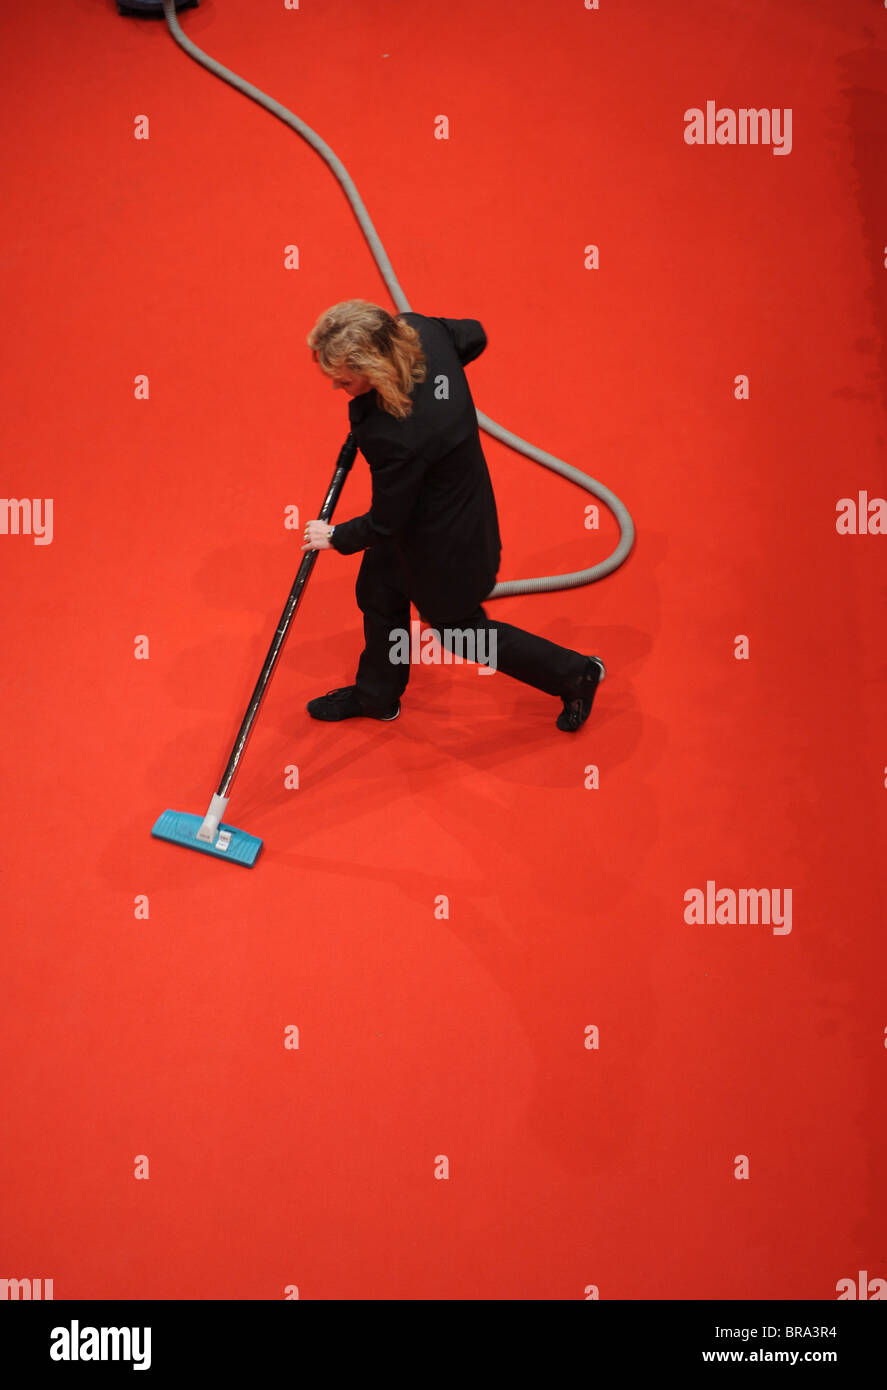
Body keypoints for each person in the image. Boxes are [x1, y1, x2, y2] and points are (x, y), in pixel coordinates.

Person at [301, 299, 605, 731]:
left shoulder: (398, 434)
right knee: (380, 594)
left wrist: (335, 536)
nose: (337, 389)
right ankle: (377, 694)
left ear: (375, 367)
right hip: (431, 507)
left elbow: (386, 521)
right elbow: (473, 332)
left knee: (457, 630)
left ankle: (575, 673)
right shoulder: (421, 330)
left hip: (446, 540)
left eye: (344, 381)